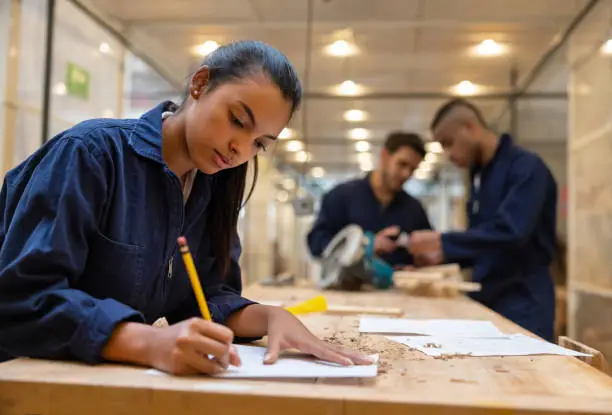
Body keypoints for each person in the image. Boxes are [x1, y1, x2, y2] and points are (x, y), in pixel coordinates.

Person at [0, 40, 372, 374]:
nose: (239, 149)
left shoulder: (214, 185)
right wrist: (148, 342)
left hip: (109, 380)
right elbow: (21, 301)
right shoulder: (91, 155)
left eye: (260, 143)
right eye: (237, 121)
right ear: (199, 84)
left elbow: (204, 296)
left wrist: (269, 317)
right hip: (26, 378)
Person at [407, 99, 557, 341]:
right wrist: (440, 257)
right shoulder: (480, 176)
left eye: (448, 143)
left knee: (523, 373)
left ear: (470, 127)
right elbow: (485, 241)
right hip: (488, 296)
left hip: (523, 301)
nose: (448, 154)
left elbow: (512, 231)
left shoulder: (527, 168)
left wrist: (442, 241)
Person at [307, 132, 432, 269]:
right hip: (347, 288)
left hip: (397, 288)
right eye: (402, 164)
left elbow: (429, 250)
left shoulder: (414, 208)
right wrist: (364, 246)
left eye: (412, 169)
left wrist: (420, 261)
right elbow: (317, 244)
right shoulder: (341, 196)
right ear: (384, 156)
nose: (406, 174)